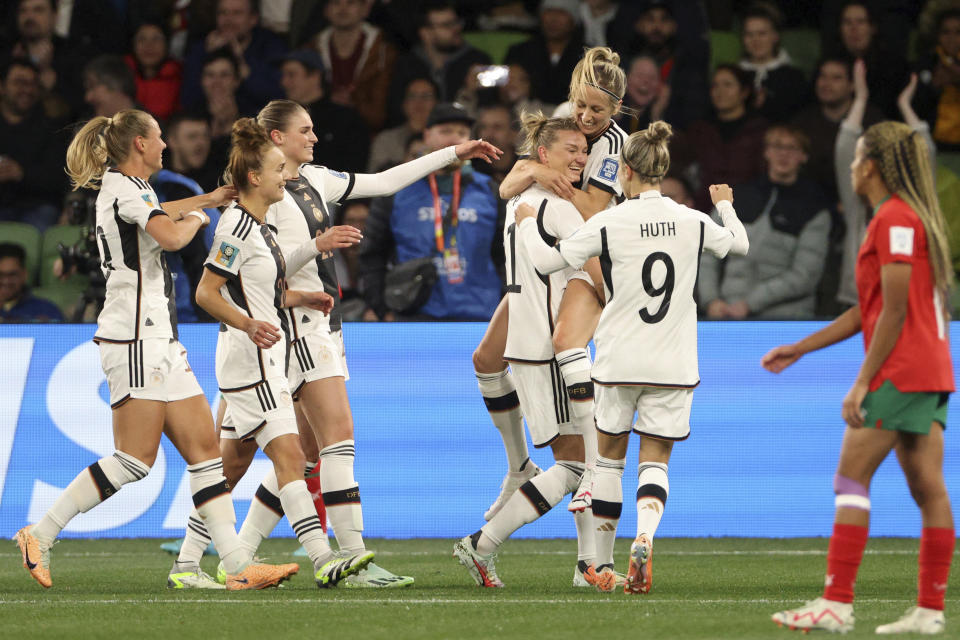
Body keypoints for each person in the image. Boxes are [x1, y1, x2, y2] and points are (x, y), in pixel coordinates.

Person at [173, 99, 501, 587]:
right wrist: (308, 265)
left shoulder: (315, 179)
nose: (314, 137)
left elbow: (385, 181)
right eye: (305, 130)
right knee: (335, 437)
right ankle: (348, 557)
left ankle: (226, 554)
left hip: (318, 320)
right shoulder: (262, 195)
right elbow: (247, 276)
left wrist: (454, 152)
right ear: (276, 138)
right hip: (291, 327)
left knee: (272, 455)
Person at [13, 108, 297, 591]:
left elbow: (160, 213)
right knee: (134, 461)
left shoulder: (134, 188)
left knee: (206, 452)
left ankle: (231, 566)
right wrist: (198, 220)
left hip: (159, 338)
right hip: (135, 338)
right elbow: (167, 234)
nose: (165, 144)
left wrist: (204, 197)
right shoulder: (123, 187)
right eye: (160, 137)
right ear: (140, 144)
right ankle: (39, 533)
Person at [511, 121, 748, 594]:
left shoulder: (609, 221)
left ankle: (600, 565)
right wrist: (724, 204)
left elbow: (546, 261)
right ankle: (646, 534)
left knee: (608, 466)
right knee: (655, 462)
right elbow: (738, 244)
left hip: (619, 361)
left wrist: (524, 225)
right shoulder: (692, 219)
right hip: (674, 365)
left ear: (626, 169)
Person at [767, 120, 954, 634]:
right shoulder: (904, 218)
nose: (849, 166)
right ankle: (930, 612)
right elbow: (868, 311)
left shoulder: (893, 219)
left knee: (850, 478)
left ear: (870, 166)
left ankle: (836, 603)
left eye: (855, 159)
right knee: (928, 488)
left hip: (902, 371)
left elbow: (892, 313)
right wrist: (801, 348)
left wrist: (863, 382)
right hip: (931, 370)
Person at [192, 117, 375, 589]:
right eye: (278, 169)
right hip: (249, 358)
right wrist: (250, 324)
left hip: (263, 356)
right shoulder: (234, 225)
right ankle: (323, 557)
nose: (286, 176)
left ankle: (186, 564)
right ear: (255, 177)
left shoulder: (260, 227)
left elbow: (261, 288)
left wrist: (299, 297)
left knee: (231, 464)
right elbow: (208, 293)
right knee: (293, 457)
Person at [476, 46, 628, 544]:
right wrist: (537, 171)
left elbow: (588, 209)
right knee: (486, 359)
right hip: (554, 259)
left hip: (595, 259)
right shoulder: (562, 125)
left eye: (597, 112)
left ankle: (592, 538)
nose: (585, 119)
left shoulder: (614, 145)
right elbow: (508, 185)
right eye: (580, 106)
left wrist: (539, 174)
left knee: (567, 346)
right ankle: (519, 467)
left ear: (616, 112)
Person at [454, 112, 604, 588]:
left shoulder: (518, 197)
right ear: (543, 156)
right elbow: (601, 279)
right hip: (552, 348)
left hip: (527, 344)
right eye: (570, 151)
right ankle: (483, 544)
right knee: (579, 463)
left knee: (579, 461)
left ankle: (588, 568)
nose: (580, 159)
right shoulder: (560, 209)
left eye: (583, 151)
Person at [359, 102, 505, 322]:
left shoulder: (491, 191)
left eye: (462, 133)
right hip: (413, 314)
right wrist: (382, 308)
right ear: (427, 136)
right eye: (445, 131)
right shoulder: (397, 188)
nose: (455, 139)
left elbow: (505, 255)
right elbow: (372, 253)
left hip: (481, 315)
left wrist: (506, 305)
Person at [698, 124, 830, 319]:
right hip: (727, 312)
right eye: (777, 147)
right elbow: (707, 252)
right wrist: (711, 300)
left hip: (786, 318)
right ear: (767, 152)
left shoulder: (814, 209)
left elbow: (805, 275)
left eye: (792, 148)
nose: (783, 154)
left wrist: (749, 303)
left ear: (804, 156)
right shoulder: (737, 196)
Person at [836, 61, 937, 309]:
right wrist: (860, 98)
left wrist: (905, 105)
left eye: (860, 161)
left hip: (908, 305)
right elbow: (844, 147)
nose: (852, 167)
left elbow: (926, 152)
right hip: (855, 302)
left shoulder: (915, 207)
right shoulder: (858, 206)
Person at [673, 64, 767, 212]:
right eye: (715, 85)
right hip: (703, 209)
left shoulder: (760, 131)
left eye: (727, 85)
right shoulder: (699, 130)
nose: (720, 91)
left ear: (744, 92)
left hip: (747, 210)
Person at [386, 1, 490, 124]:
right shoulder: (406, 65)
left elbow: (490, 108)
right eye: (447, 25)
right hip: (417, 136)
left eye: (456, 22)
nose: (456, 28)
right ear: (426, 34)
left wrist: (469, 91)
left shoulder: (478, 61)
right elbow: (395, 112)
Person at [180, 0, 287, 116]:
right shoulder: (201, 48)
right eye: (223, 13)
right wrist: (207, 56)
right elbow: (188, 100)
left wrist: (241, 60)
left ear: (253, 19)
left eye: (237, 13)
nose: (228, 20)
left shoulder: (271, 46)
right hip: (207, 122)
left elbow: (277, 97)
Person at [0, 56, 66, 230]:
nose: (27, 90)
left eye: (32, 84)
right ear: (2, 87)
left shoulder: (50, 127)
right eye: (19, 83)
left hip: (37, 207)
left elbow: (59, 179)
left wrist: (21, 174)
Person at [310, 0, 397, 133]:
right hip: (318, 133)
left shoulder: (384, 53)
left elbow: (380, 114)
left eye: (350, 3)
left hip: (370, 134)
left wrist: (354, 103)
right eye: (336, 3)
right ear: (326, 10)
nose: (342, 9)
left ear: (365, 8)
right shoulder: (311, 50)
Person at [277, 50, 369, 173]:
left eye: (291, 75)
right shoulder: (278, 117)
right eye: (283, 75)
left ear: (315, 76)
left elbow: (353, 169)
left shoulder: (345, 120)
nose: (284, 82)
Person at [504, 0, 586, 108]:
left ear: (573, 20)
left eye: (561, 13)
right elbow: (503, 93)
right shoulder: (519, 52)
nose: (553, 19)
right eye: (549, 11)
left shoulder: (588, 56)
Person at [737, 1, 808, 123]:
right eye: (749, 34)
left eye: (762, 34)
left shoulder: (794, 78)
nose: (755, 40)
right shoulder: (734, 75)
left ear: (775, 36)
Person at [368, 76, 437, 172]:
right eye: (412, 96)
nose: (419, 102)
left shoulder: (443, 138)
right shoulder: (385, 140)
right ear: (403, 104)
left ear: (437, 103)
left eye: (426, 96)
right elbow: (374, 179)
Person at [125, 21, 182, 122]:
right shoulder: (120, 78)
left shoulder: (180, 77)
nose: (149, 46)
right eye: (142, 39)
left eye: (156, 39)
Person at [0, 242, 62, 322]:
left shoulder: (46, 310)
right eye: (0, 275)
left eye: (12, 275)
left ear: (24, 274)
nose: (5, 281)